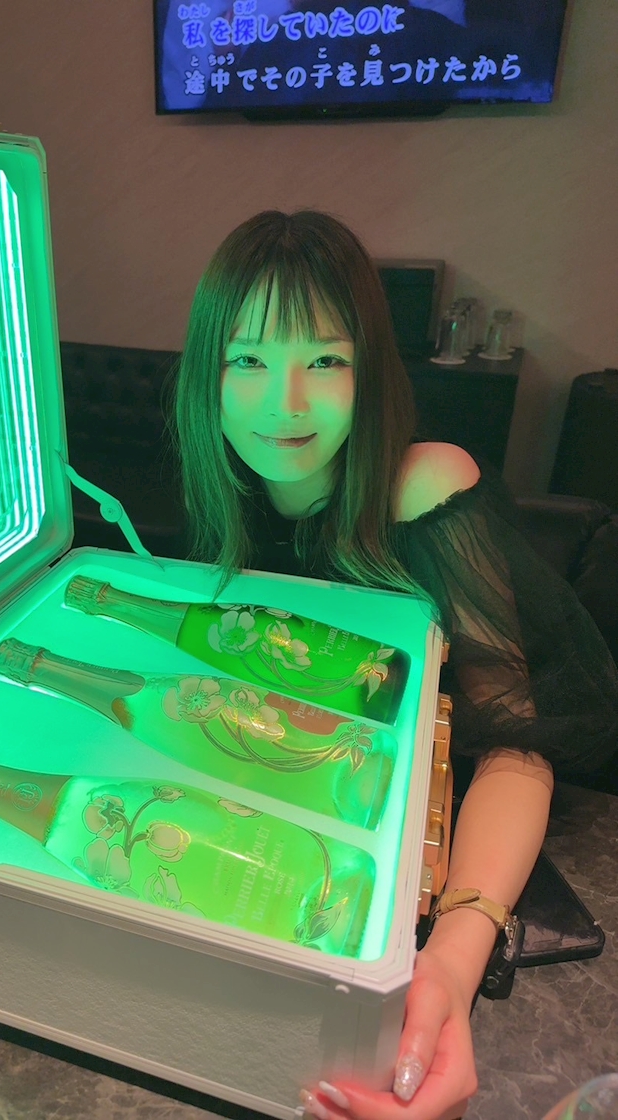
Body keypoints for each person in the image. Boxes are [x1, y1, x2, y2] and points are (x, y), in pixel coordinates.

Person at [170, 210, 618, 1120]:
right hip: (305, 843)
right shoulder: (223, 493)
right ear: (207, 373)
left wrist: (452, 959)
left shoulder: (425, 489)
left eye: (323, 361)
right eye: (247, 359)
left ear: (367, 371)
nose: (284, 402)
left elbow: (516, 744)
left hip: (447, 852)